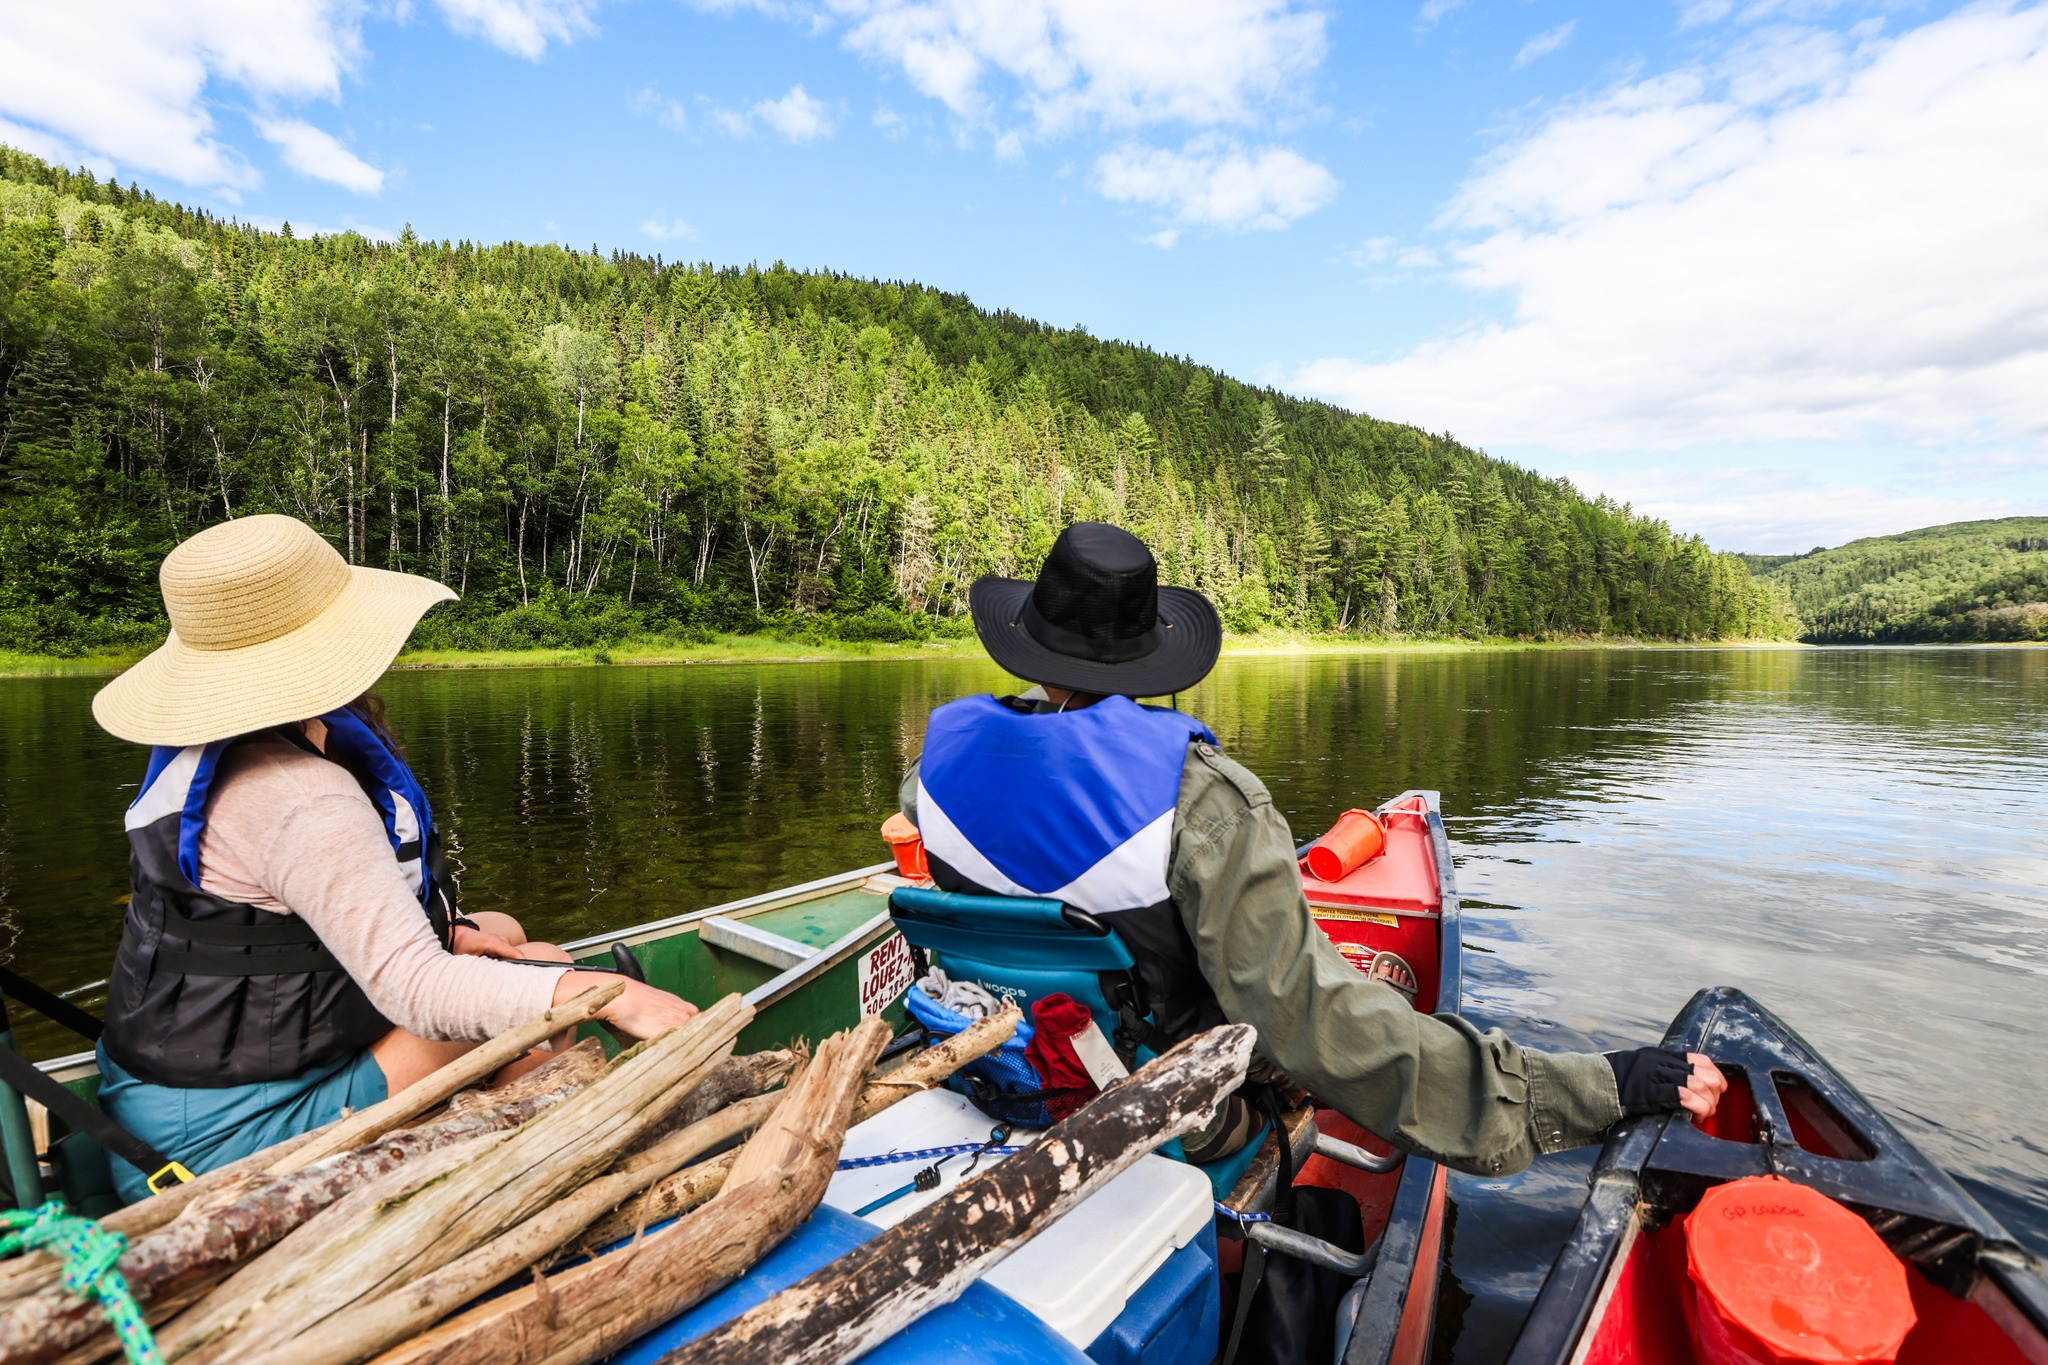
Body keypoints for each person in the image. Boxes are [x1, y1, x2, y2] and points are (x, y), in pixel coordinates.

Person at [898, 522, 1725, 1173]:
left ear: (1029, 642)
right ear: (1151, 655)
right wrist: (1595, 1086)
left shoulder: (931, 770)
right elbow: (1316, 1029)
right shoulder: (1203, 801)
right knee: (1331, 1019)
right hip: (1163, 1112)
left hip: (999, 1073)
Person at [89, 514, 697, 1201]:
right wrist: (603, 994)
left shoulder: (230, 743)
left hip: (156, 1090)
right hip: (212, 1145)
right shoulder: (300, 795)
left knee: (504, 930)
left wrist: (463, 931)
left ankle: (499, 1092)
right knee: (552, 975)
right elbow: (418, 989)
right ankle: (524, 1173)